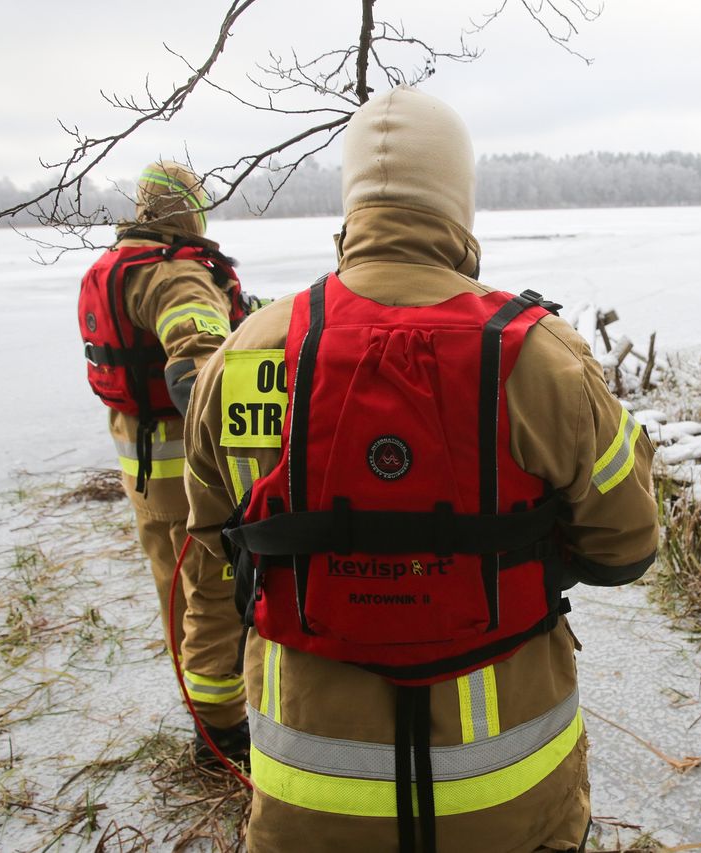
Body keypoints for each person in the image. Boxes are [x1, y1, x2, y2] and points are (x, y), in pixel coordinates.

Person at [181, 86, 659, 852]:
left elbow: (213, 557)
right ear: (458, 203)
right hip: (514, 802)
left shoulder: (243, 355)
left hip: (309, 806)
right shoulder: (543, 359)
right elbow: (628, 546)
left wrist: (223, 703)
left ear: (351, 204)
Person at [78, 161, 253, 763]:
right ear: (188, 210)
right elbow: (197, 367)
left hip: (144, 470)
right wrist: (229, 460)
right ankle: (222, 732)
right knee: (216, 600)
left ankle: (202, 707)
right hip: (191, 477)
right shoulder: (177, 277)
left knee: (175, 595)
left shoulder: (117, 268)